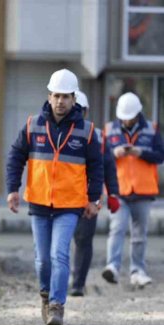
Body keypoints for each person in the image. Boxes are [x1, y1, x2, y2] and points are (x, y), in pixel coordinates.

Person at [6, 69, 102, 325]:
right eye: (56, 95)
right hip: (38, 203)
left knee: (59, 254)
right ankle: (46, 296)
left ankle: (57, 307)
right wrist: (12, 189)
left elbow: (96, 167)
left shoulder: (87, 132)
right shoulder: (32, 125)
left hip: (70, 205)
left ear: (74, 99)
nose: (61, 101)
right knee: (42, 259)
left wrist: (93, 199)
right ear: (49, 96)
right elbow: (15, 157)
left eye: (66, 97)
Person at [101, 92, 164, 288]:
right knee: (117, 229)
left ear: (138, 114)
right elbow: (99, 157)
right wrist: (114, 153)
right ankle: (112, 266)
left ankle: (138, 271)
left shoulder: (152, 130)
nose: (127, 121)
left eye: (130, 117)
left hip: (143, 191)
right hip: (118, 190)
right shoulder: (109, 130)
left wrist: (141, 152)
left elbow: (160, 156)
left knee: (139, 235)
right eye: (124, 117)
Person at [70, 91, 120, 296]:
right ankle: (60, 280)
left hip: (89, 198)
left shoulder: (98, 136)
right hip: (62, 197)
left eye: (80, 110)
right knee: (61, 242)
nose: (77, 114)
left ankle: (77, 284)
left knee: (83, 239)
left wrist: (114, 194)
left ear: (86, 111)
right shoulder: (56, 132)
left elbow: (108, 167)